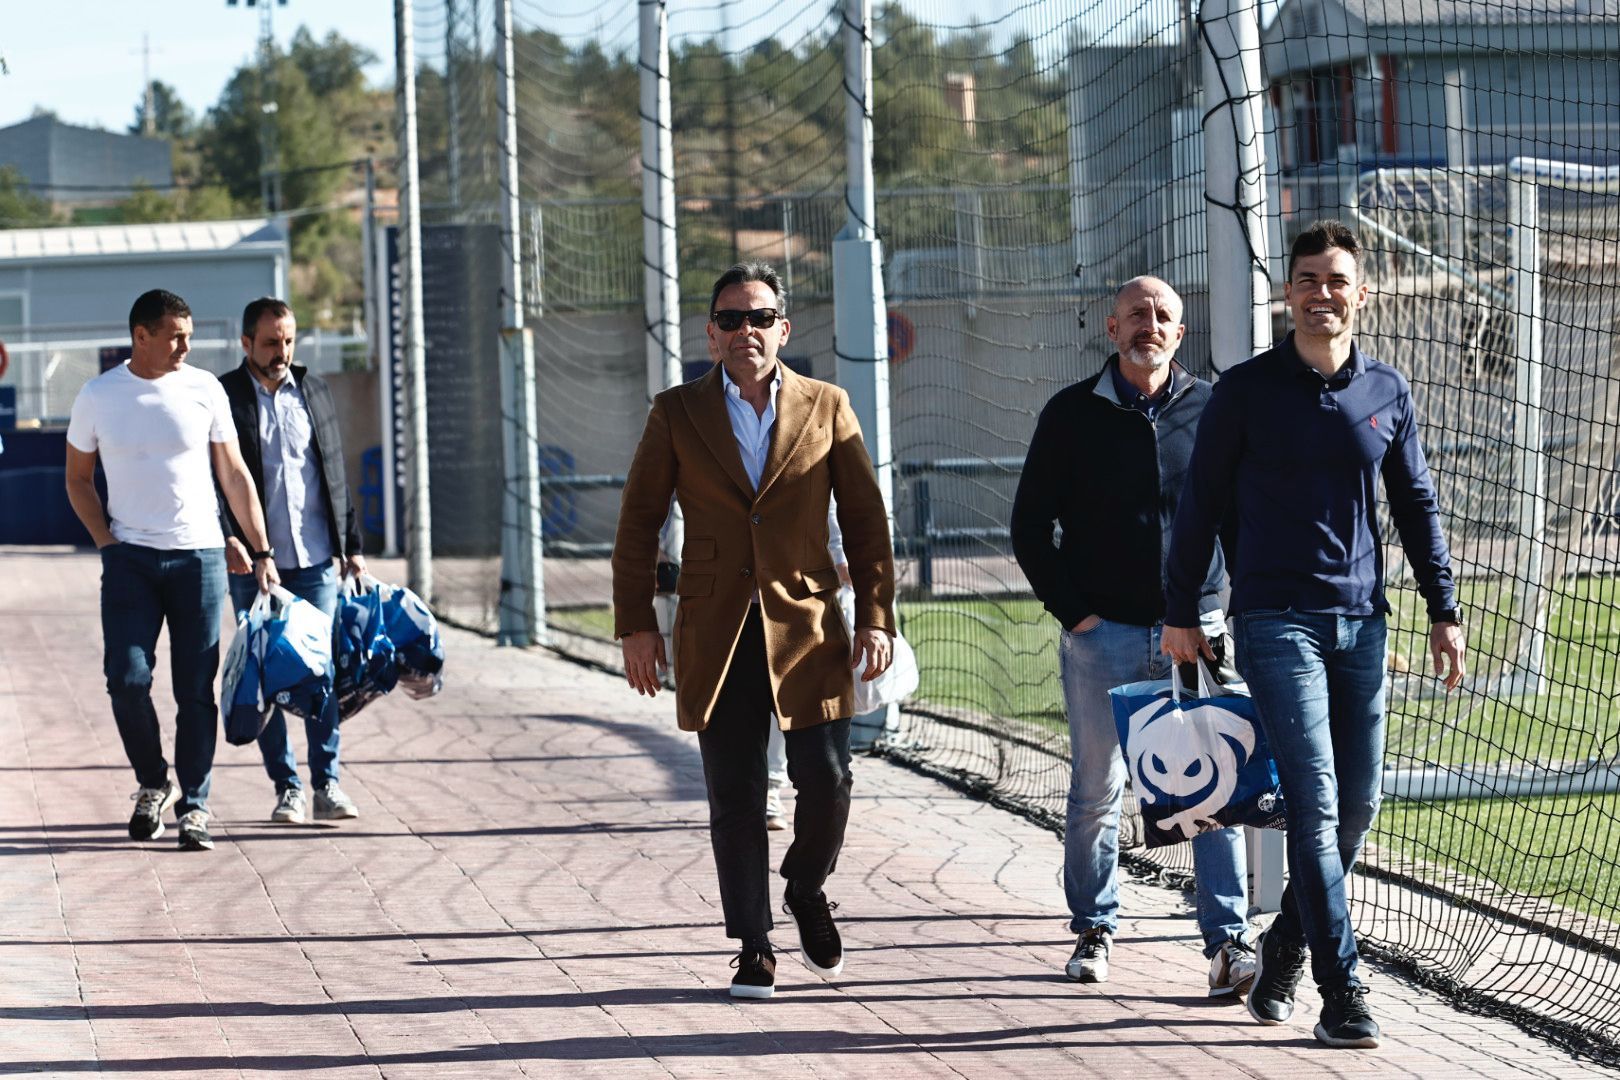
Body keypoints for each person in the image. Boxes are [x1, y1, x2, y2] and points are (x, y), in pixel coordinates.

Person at [1162, 220, 1467, 1050]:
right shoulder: (1246, 391)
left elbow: (1416, 506)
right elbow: (1199, 505)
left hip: (1363, 624)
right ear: (1286, 292)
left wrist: (1443, 610)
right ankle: (1344, 994)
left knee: (1357, 808)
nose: (1321, 294)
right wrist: (1180, 610)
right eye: (1307, 280)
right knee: (1316, 806)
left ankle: (1284, 951)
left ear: (1360, 294)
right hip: (1274, 621)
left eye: (1337, 281)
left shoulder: (1386, 391)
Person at [612, 262, 896, 1000]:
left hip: (808, 627)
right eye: (732, 320)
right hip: (716, 630)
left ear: (783, 329)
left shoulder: (827, 405)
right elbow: (639, 526)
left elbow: (865, 522)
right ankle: (754, 946)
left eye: (760, 318)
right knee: (734, 797)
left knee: (827, 782)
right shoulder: (676, 412)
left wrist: (875, 615)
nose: (747, 331)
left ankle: (805, 887)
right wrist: (637, 626)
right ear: (711, 334)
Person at [1010, 275, 1256, 998]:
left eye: (1164, 317)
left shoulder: (1214, 409)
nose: (1150, 325)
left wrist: (1231, 608)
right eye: (1137, 315)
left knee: (1215, 790)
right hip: (1103, 636)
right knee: (1097, 789)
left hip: (1198, 631)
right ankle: (1094, 927)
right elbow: (1030, 528)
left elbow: (1240, 520)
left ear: (1181, 334)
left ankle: (1228, 943)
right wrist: (1076, 614)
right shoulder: (1069, 415)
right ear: (1110, 330)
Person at [65, 289, 279, 853]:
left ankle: (196, 805)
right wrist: (107, 544)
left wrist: (261, 551)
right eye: (175, 335)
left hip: (200, 560)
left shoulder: (204, 388)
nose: (187, 345)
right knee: (127, 680)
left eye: (188, 335)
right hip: (130, 560)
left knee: (195, 692)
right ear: (141, 336)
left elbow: (233, 473)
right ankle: (152, 779)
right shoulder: (98, 396)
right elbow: (77, 480)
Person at [217, 297, 366, 825]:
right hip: (257, 568)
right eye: (270, 342)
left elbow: (335, 471)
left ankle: (327, 783)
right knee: (267, 677)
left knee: (320, 673)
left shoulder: (314, 390)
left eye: (287, 341)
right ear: (246, 343)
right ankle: (288, 788)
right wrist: (234, 541)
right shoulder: (226, 396)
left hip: (317, 560)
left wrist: (353, 546)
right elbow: (219, 480)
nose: (281, 352)